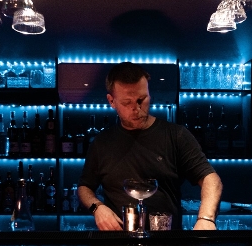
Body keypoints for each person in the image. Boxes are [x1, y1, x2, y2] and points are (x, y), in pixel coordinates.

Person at [77, 62, 222, 230]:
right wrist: (97, 208)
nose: (136, 108)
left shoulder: (176, 135)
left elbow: (210, 179)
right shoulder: (101, 142)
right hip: (116, 245)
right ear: (112, 101)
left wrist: (206, 218)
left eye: (141, 99)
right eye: (127, 102)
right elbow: (84, 187)